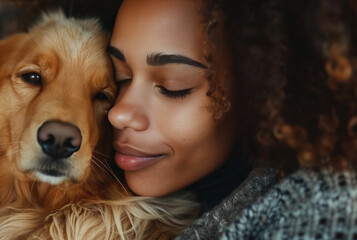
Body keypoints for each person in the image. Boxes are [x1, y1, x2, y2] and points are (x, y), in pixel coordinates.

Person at [108, 0, 357, 239]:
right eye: (120, 77)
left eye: (173, 87)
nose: (117, 113)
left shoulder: (320, 218)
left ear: (257, 90)